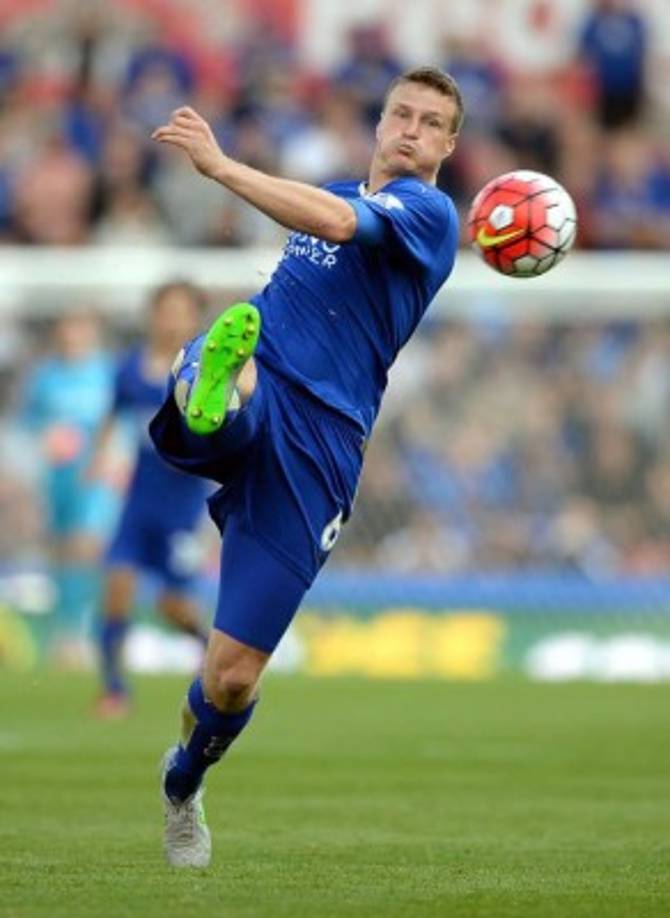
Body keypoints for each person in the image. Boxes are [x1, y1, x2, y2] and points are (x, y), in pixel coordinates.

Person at [149, 65, 464, 868]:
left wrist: (222, 167)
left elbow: (332, 221)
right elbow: (319, 218)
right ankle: (211, 390)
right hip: (269, 386)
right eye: (401, 113)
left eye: (431, 123)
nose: (410, 130)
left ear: (448, 146)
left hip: (321, 448)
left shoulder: (426, 215)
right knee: (237, 352)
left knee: (230, 679)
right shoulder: (330, 192)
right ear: (380, 121)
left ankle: (183, 783)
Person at [87, 281, 211, 718]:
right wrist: (99, 458)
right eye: (164, 310)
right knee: (117, 587)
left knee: (172, 605)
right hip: (138, 503)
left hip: (182, 507)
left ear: (194, 318)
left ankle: (209, 649)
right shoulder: (130, 370)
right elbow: (113, 413)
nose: (171, 319)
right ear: (152, 315)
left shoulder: (203, 372)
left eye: (180, 311)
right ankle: (114, 689)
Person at [21, 310, 116, 664]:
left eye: (79, 330)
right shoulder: (46, 377)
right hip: (59, 477)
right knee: (62, 550)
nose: (72, 337)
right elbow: (31, 421)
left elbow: (118, 420)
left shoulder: (106, 372)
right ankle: (63, 632)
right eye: (67, 330)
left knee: (87, 546)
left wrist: (111, 459)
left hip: (95, 476)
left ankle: (85, 632)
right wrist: (48, 438)